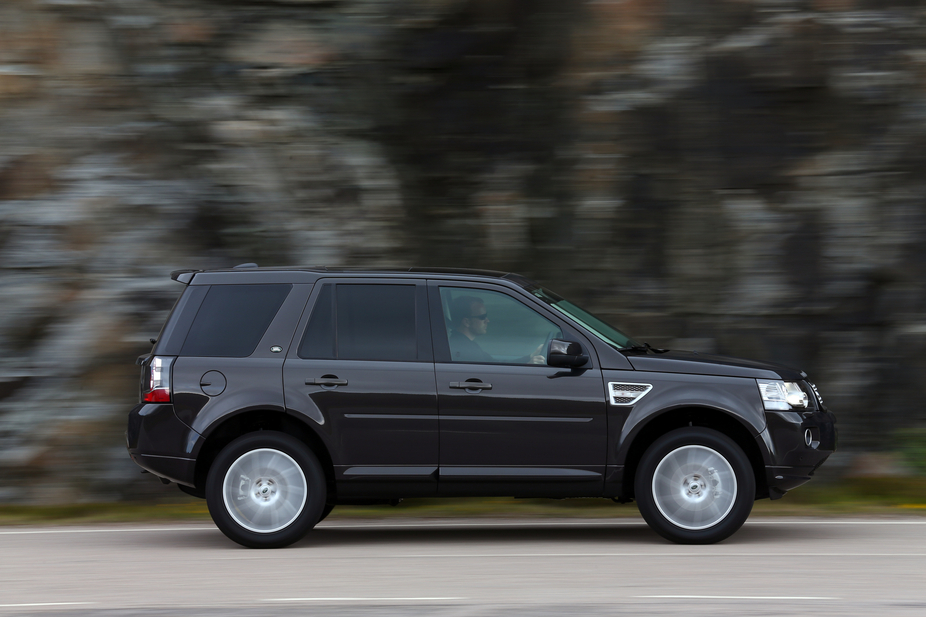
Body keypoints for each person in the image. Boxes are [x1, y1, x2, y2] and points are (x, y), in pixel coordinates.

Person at [448, 295, 546, 364]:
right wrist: (528, 366)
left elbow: (497, 364)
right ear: (466, 322)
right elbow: (494, 376)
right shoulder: (464, 351)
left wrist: (530, 357)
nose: (487, 320)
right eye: (482, 317)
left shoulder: (465, 344)